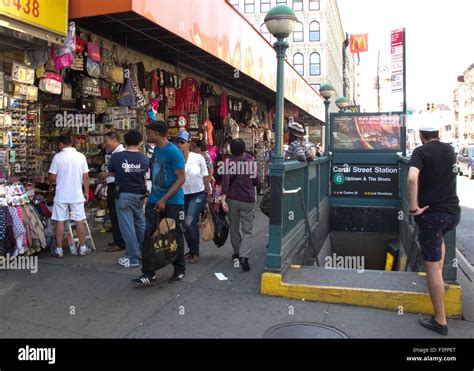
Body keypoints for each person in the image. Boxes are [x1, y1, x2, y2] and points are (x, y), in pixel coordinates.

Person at [408, 124, 461, 336]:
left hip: (432, 215)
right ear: (437, 135)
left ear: (421, 136)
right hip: (452, 213)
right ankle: (440, 280)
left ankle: (440, 321)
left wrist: (413, 208)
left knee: (431, 266)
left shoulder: (420, 151)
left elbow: (412, 177)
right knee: (440, 242)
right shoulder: (449, 149)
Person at [132, 121, 186, 286]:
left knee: (173, 235)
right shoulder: (156, 149)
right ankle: (148, 272)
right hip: (155, 199)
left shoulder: (174, 152)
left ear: (156, 133)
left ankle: (179, 270)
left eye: (149, 132)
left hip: (172, 202)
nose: (147, 135)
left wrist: (164, 199)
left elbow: (181, 179)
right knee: (149, 235)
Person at [108, 130, 149, 268]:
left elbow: (112, 170)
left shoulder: (117, 157)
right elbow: (144, 173)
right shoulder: (143, 158)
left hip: (124, 194)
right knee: (140, 223)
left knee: (128, 226)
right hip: (139, 194)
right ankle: (145, 253)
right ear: (139, 142)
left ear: (125, 141)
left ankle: (132, 257)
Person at [47, 135, 90, 258]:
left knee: (60, 220)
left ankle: (59, 249)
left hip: (62, 194)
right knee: (79, 219)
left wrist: (50, 180)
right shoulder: (81, 157)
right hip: (76, 194)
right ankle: (82, 247)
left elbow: (52, 177)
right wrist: (86, 191)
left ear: (61, 144)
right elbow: (85, 176)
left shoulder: (58, 157)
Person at [221, 139, 258, 272]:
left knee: (234, 228)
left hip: (232, 199)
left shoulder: (227, 164)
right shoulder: (251, 163)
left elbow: (225, 183)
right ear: (243, 149)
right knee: (247, 230)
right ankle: (244, 256)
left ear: (231, 150)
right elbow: (256, 181)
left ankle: (237, 252)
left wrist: (223, 199)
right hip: (247, 199)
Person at [176, 131, 210, 263]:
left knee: (190, 221)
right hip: (181, 195)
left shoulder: (198, 157)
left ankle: (195, 252)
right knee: (183, 224)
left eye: (182, 142)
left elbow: (206, 177)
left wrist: (209, 194)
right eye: (178, 142)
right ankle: (191, 249)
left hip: (198, 194)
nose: (180, 145)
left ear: (189, 143)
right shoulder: (175, 158)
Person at [98, 131, 126, 253]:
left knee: (116, 214)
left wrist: (107, 174)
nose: (106, 144)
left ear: (114, 139)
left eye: (107, 141)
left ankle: (120, 242)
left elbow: (123, 171)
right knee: (114, 214)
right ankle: (118, 239)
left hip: (116, 186)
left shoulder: (120, 153)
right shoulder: (115, 153)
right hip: (112, 184)